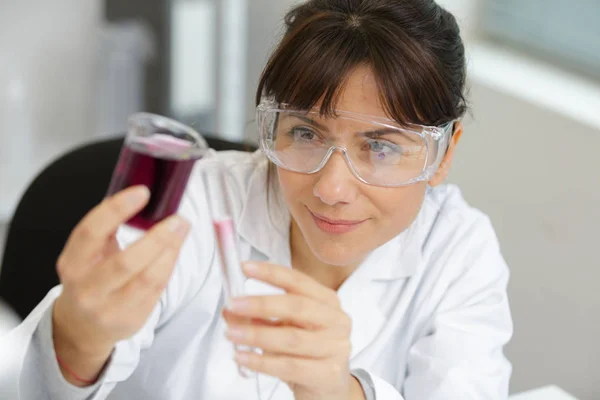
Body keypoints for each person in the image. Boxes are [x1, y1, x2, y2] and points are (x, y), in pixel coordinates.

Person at [0, 0, 513, 399]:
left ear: (443, 154)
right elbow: (21, 381)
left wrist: (339, 393)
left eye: (379, 146)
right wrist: (79, 340)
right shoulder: (197, 202)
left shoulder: (457, 251)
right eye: (306, 133)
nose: (332, 189)